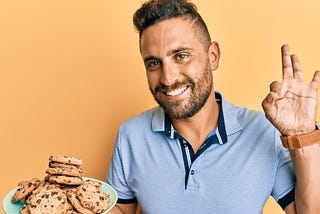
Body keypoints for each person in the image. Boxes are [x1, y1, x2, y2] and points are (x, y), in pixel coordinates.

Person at [107, 0, 320, 213]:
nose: (167, 78)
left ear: (213, 56)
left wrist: (304, 136)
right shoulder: (131, 136)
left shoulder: (263, 132)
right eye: (154, 63)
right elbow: (120, 210)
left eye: (181, 56)